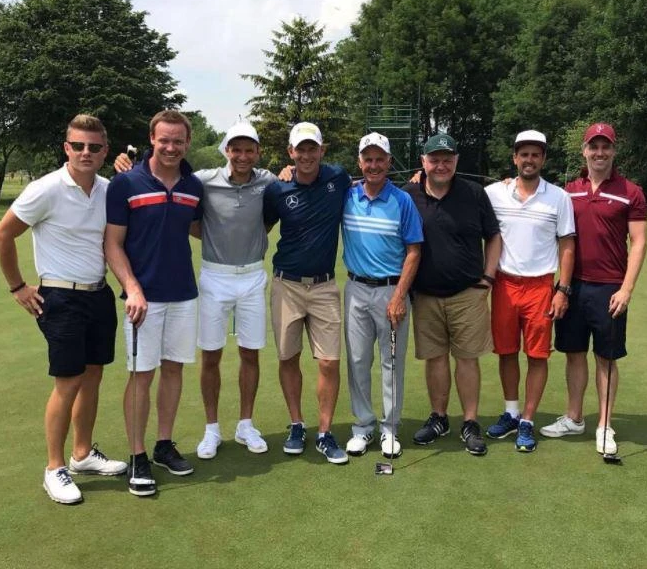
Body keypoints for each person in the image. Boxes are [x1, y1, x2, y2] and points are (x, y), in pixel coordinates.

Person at [114, 122, 276, 458]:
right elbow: (186, 211)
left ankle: (245, 425)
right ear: (226, 150)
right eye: (236, 149)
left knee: (251, 353)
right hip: (215, 277)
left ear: (258, 152)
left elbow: (286, 194)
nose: (242, 156)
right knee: (210, 355)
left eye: (249, 150)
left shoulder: (269, 181)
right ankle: (211, 429)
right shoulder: (203, 180)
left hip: (252, 277)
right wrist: (126, 163)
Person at [0, 114, 126, 504]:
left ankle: (81, 454)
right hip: (61, 297)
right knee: (68, 381)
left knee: (93, 376)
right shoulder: (45, 189)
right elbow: (3, 234)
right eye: (78, 146)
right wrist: (17, 287)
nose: (86, 153)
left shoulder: (108, 190)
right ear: (67, 148)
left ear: (105, 151)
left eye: (94, 147)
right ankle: (54, 468)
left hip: (98, 294)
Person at [105, 110, 203, 496]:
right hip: (142, 299)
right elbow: (112, 244)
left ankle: (163, 445)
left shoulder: (194, 186)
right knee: (141, 375)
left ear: (187, 143)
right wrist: (132, 287)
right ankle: (137, 455)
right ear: (152, 139)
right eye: (164, 140)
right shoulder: (125, 183)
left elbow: (197, 228)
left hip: (183, 293)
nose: (171, 147)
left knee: (174, 370)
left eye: (178, 141)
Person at [541, 123, 647, 454]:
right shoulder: (568, 191)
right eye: (594, 146)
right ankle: (574, 418)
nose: (599, 153)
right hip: (571, 286)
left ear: (614, 150)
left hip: (610, 288)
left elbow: (639, 242)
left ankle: (604, 424)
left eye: (606, 147)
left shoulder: (630, 191)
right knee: (573, 353)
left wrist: (626, 289)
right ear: (584, 150)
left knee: (606, 357)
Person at [404, 133, 502, 456]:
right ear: (423, 162)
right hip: (425, 295)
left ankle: (470, 421)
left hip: (467, 292)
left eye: (447, 159)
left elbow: (493, 236)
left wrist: (488, 277)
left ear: (456, 161)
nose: (441, 165)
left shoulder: (473, 193)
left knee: (467, 358)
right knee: (435, 358)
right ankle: (439, 417)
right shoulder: (409, 194)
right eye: (434, 159)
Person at [263, 122, 350, 464]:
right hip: (286, 284)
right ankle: (297, 424)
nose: (307, 155)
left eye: (312, 148)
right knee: (288, 357)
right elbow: (262, 226)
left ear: (322, 150)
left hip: (325, 285)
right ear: (291, 152)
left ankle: (325, 433)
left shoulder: (338, 178)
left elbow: (373, 181)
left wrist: (418, 176)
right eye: (301, 149)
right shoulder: (278, 189)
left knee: (329, 361)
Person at [484, 130, 575, 452]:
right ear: (514, 158)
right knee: (506, 351)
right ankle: (511, 412)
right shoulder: (495, 193)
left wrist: (562, 290)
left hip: (540, 286)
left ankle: (527, 420)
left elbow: (567, 244)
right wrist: (419, 179)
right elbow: (458, 196)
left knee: (537, 355)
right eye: (524, 154)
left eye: (536, 154)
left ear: (543, 159)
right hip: (504, 284)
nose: (529, 160)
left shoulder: (559, 197)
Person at [342, 133, 423, 458]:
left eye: (380, 159)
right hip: (355, 290)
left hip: (391, 291)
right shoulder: (347, 196)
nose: (373, 165)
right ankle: (363, 426)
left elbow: (414, 250)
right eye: (368, 159)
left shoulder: (402, 201)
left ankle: (389, 428)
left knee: (391, 363)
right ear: (359, 162)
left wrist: (400, 296)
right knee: (357, 361)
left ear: (389, 162)